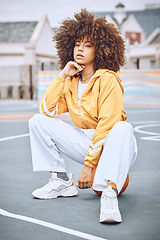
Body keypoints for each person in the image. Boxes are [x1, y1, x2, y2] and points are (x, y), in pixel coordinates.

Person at [29, 9, 137, 223]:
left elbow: (108, 125)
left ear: (100, 50)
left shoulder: (108, 79)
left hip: (114, 144)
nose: (80, 49)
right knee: (37, 121)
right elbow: (46, 110)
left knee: (123, 128)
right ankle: (61, 180)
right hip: (85, 142)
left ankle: (109, 194)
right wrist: (62, 75)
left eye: (88, 45)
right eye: (78, 44)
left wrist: (88, 167)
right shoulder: (71, 82)